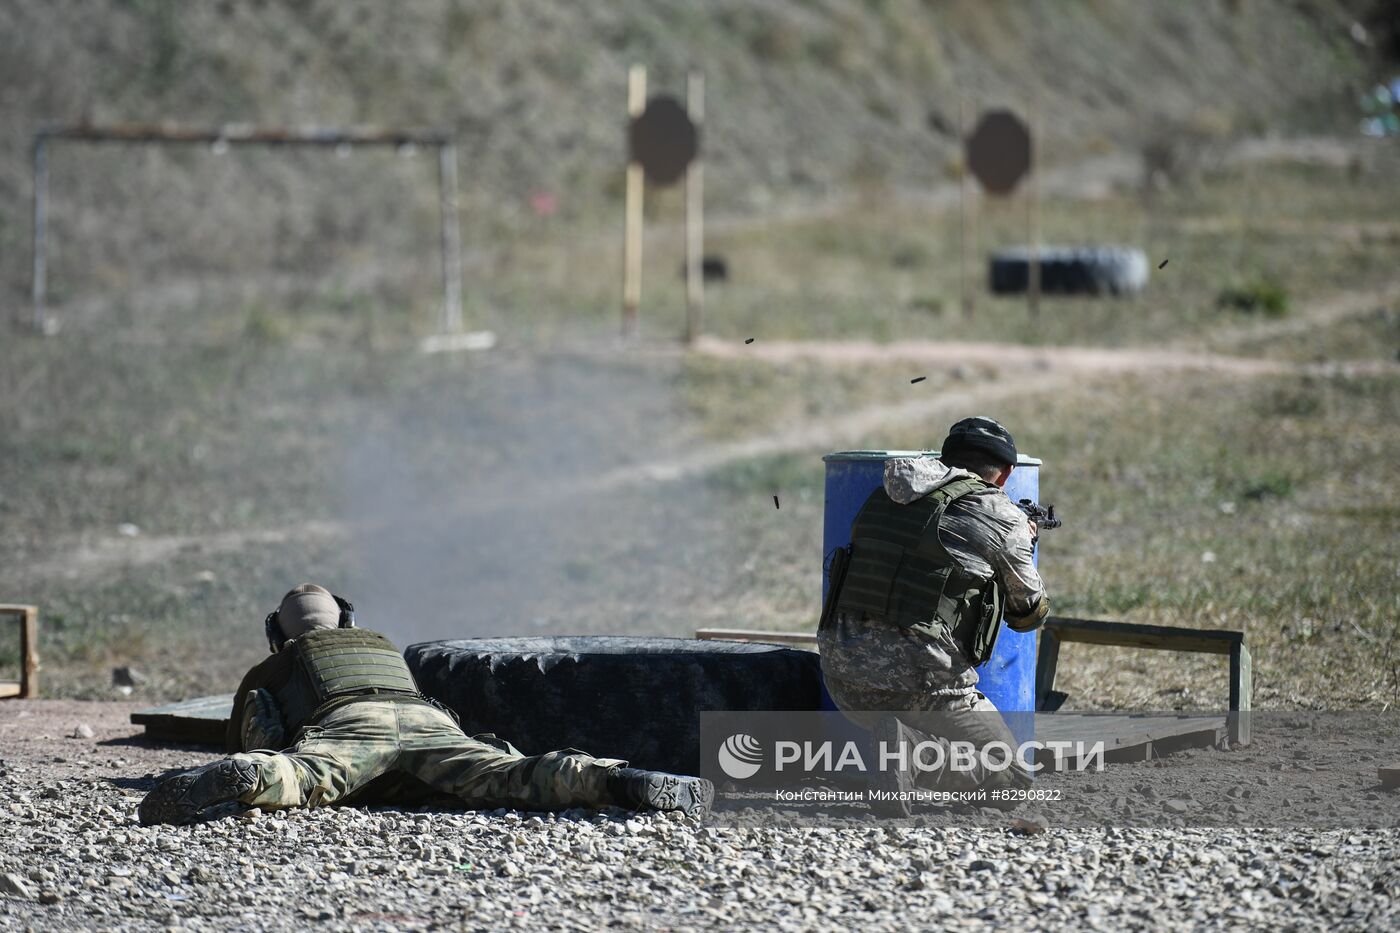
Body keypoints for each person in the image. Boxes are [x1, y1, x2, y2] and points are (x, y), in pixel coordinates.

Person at [139, 584, 712, 825]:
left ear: (276, 632)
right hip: (426, 722)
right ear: (348, 621)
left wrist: (260, 750)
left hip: (350, 728)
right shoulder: (382, 645)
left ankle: (255, 780)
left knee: (303, 776)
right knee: (512, 774)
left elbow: (249, 721)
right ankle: (617, 781)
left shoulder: (274, 665)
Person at [817, 417, 1050, 815]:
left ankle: (907, 744)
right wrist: (1022, 540)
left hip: (844, 681)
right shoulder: (1000, 514)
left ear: (946, 459)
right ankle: (915, 755)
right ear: (1007, 473)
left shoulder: (883, 493)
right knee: (1012, 778)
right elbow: (1027, 613)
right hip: (927, 688)